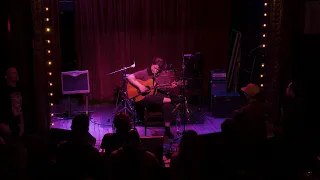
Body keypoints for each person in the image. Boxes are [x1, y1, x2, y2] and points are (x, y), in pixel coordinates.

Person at [127, 57, 184, 138]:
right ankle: (173, 101)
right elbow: (129, 77)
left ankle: (167, 130)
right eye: (155, 68)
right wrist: (140, 86)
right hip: (146, 101)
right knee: (148, 97)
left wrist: (171, 87)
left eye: (158, 69)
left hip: (158, 99)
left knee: (167, 105)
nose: (156, 70)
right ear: (152, 64)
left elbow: (165, 88)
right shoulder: (144, 73)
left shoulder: (162, 74)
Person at [0, 66, 24, 141]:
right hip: (7, 126)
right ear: (7, 76)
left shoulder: (20, 90)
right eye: (13, 73)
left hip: (18, 126)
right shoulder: (3, 91)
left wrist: (22, 124)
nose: (16, 74)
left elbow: (21, 109)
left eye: (16, 73)